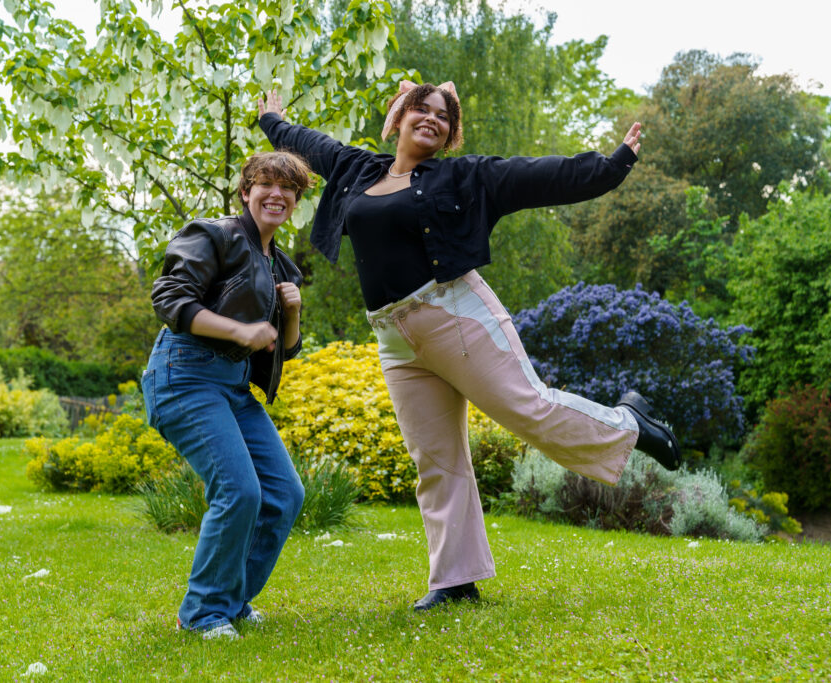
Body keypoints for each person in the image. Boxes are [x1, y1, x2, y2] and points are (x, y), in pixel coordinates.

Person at [257, 82, 681, 612]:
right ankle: (456, 580)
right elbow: (309, 142)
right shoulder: (358, 169)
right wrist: (272, 122)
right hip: (393, 337)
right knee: (435, 458)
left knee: (530, 407)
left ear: (449, 133)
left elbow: (540, 176)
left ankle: (630, 424)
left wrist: (612, 164)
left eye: (442, 115)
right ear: (398, 118)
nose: (430, 118)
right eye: (421, 109)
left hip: (454, 315)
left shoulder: (464, 176)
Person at [143, 151, 313, 639]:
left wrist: (292, 312)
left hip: (235, 387)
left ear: (296, 201)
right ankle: (202, 614)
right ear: (246, 191)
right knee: (239, 490)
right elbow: (170, 298)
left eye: (289, 189)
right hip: (185, 375)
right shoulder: (214, 235)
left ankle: (233, 601)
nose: (277, 194)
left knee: (284, 494)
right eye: (267, 184)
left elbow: (285, 349)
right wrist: (238, 331)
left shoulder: (282, 266)